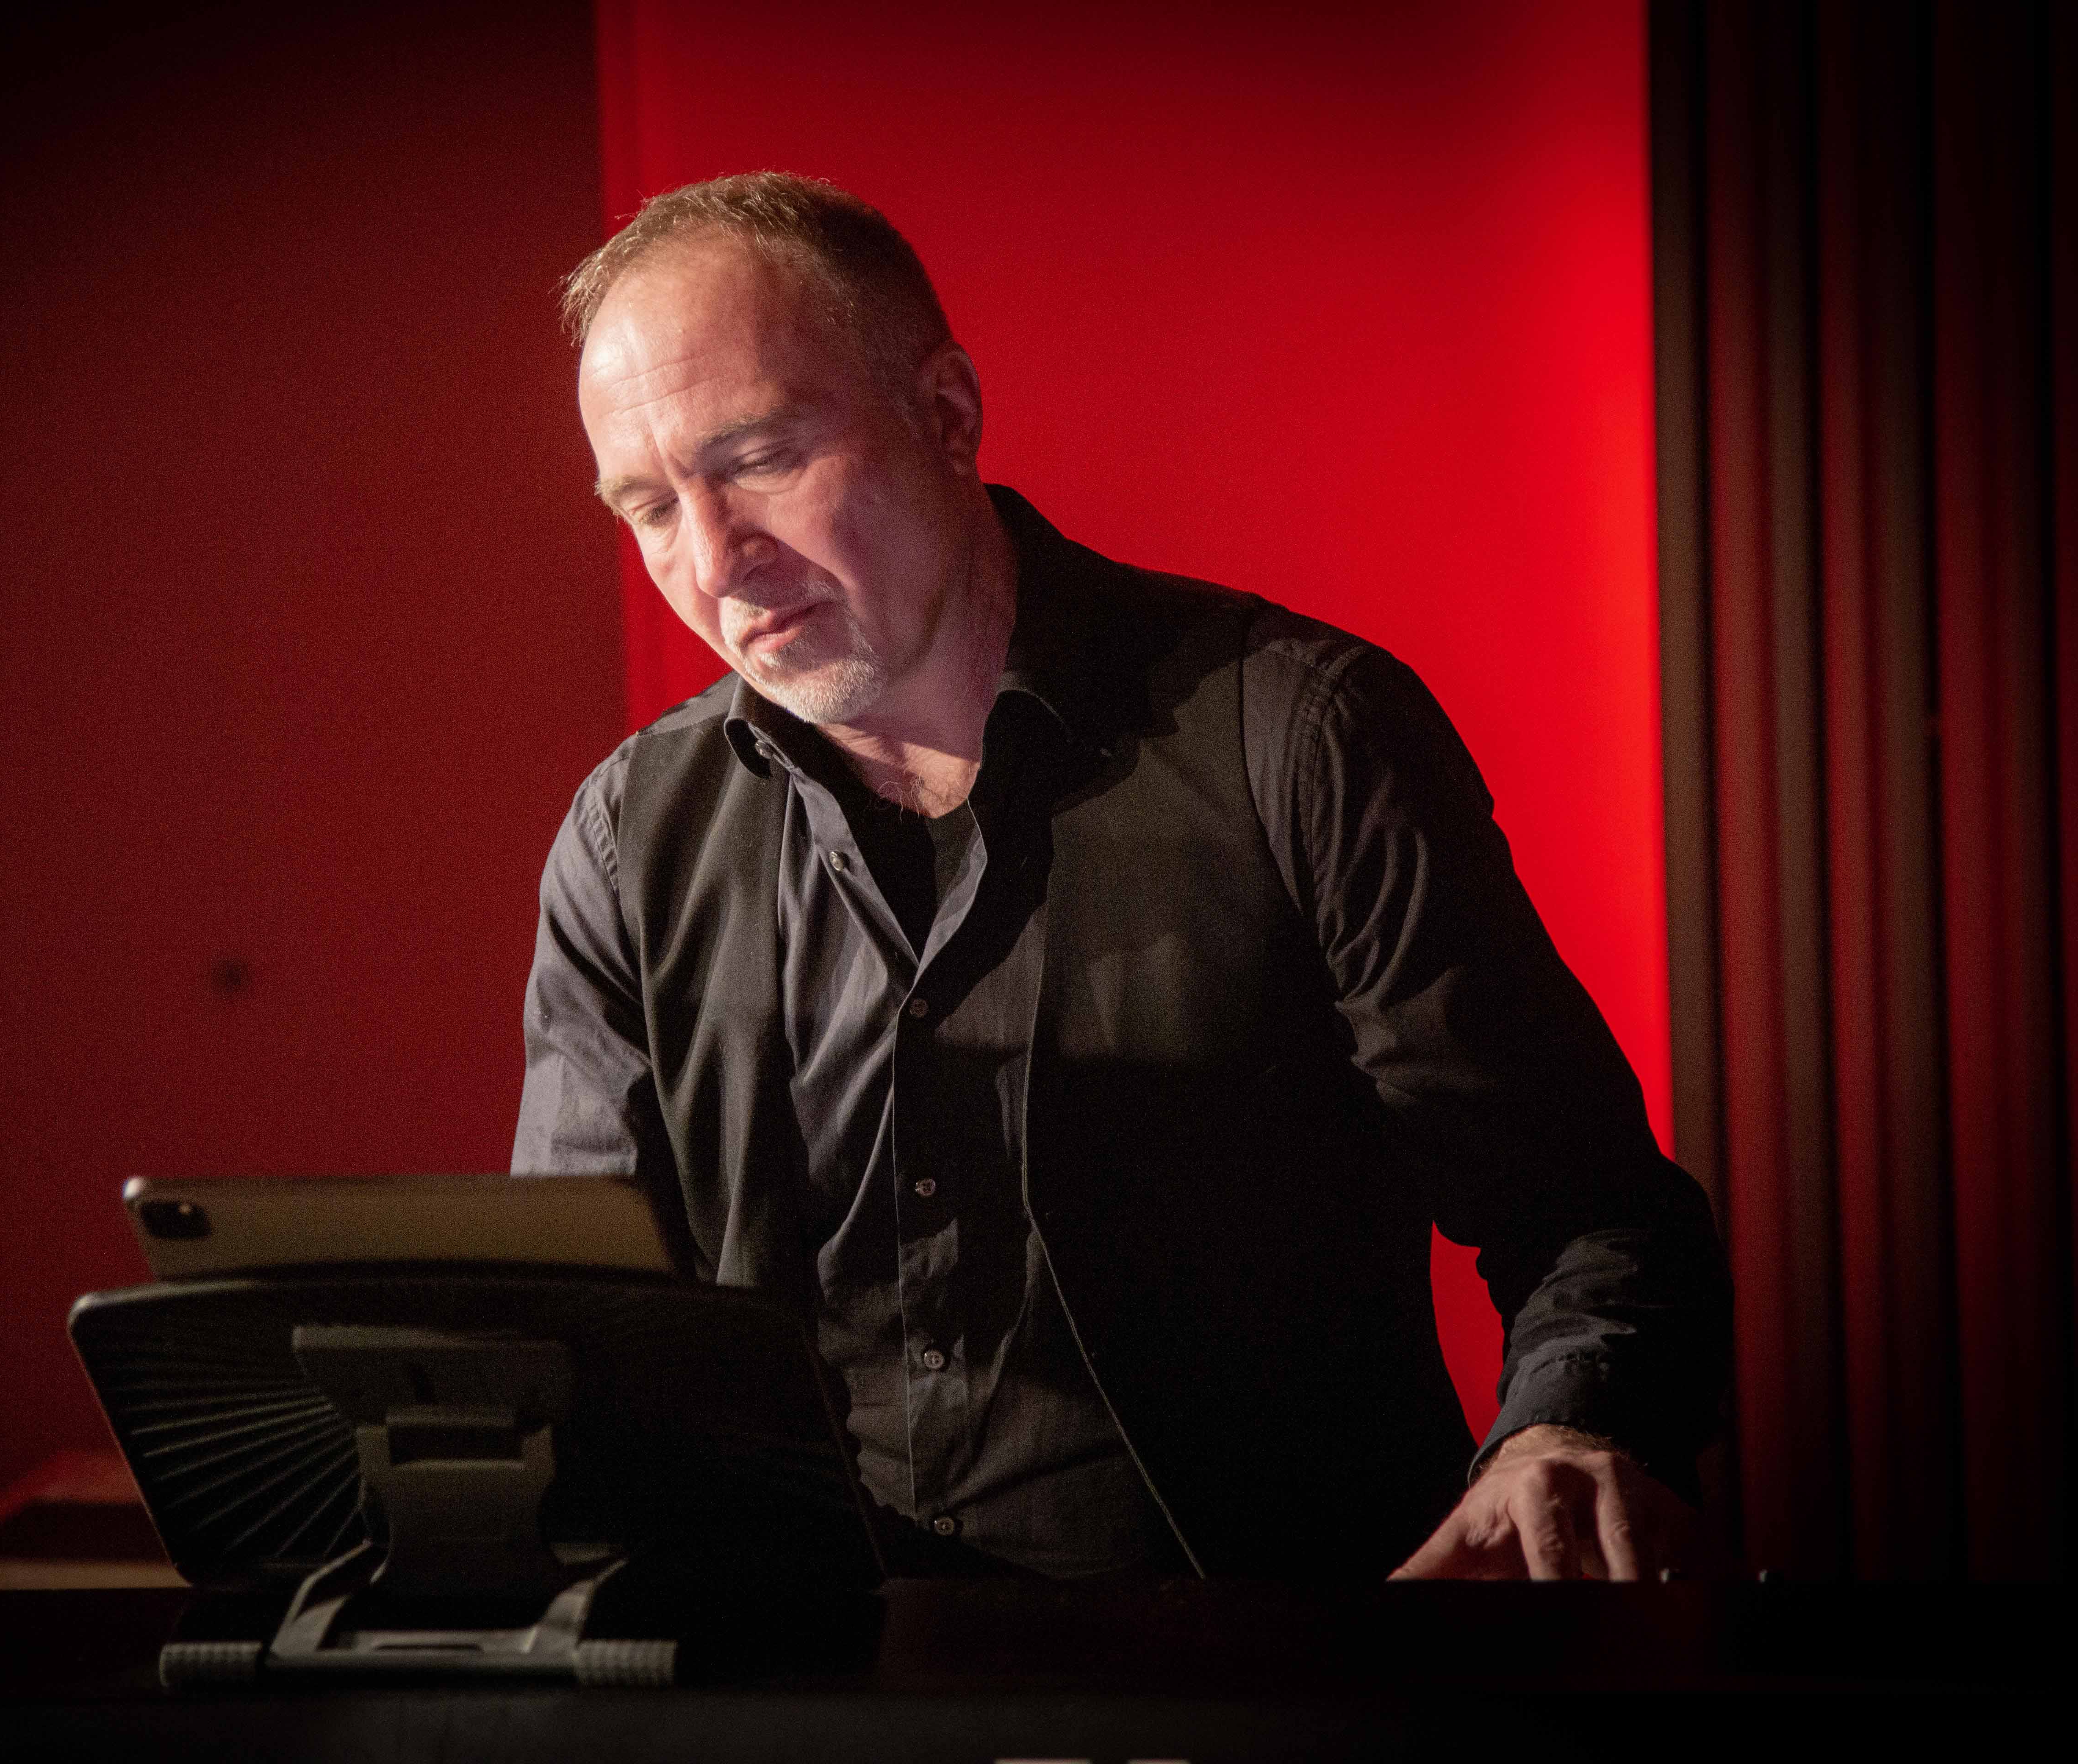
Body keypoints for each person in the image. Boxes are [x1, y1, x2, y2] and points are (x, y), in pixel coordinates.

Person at [512, 173, 1729, 1581]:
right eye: (651, 506)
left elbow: (1591, 1216)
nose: (715, 560)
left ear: (948, 415)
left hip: (1271, 1666)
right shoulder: (631, 839)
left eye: (762, 459)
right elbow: (574, 1332)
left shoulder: (1301, 739)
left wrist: (1557, 1435)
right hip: (823, 1669)